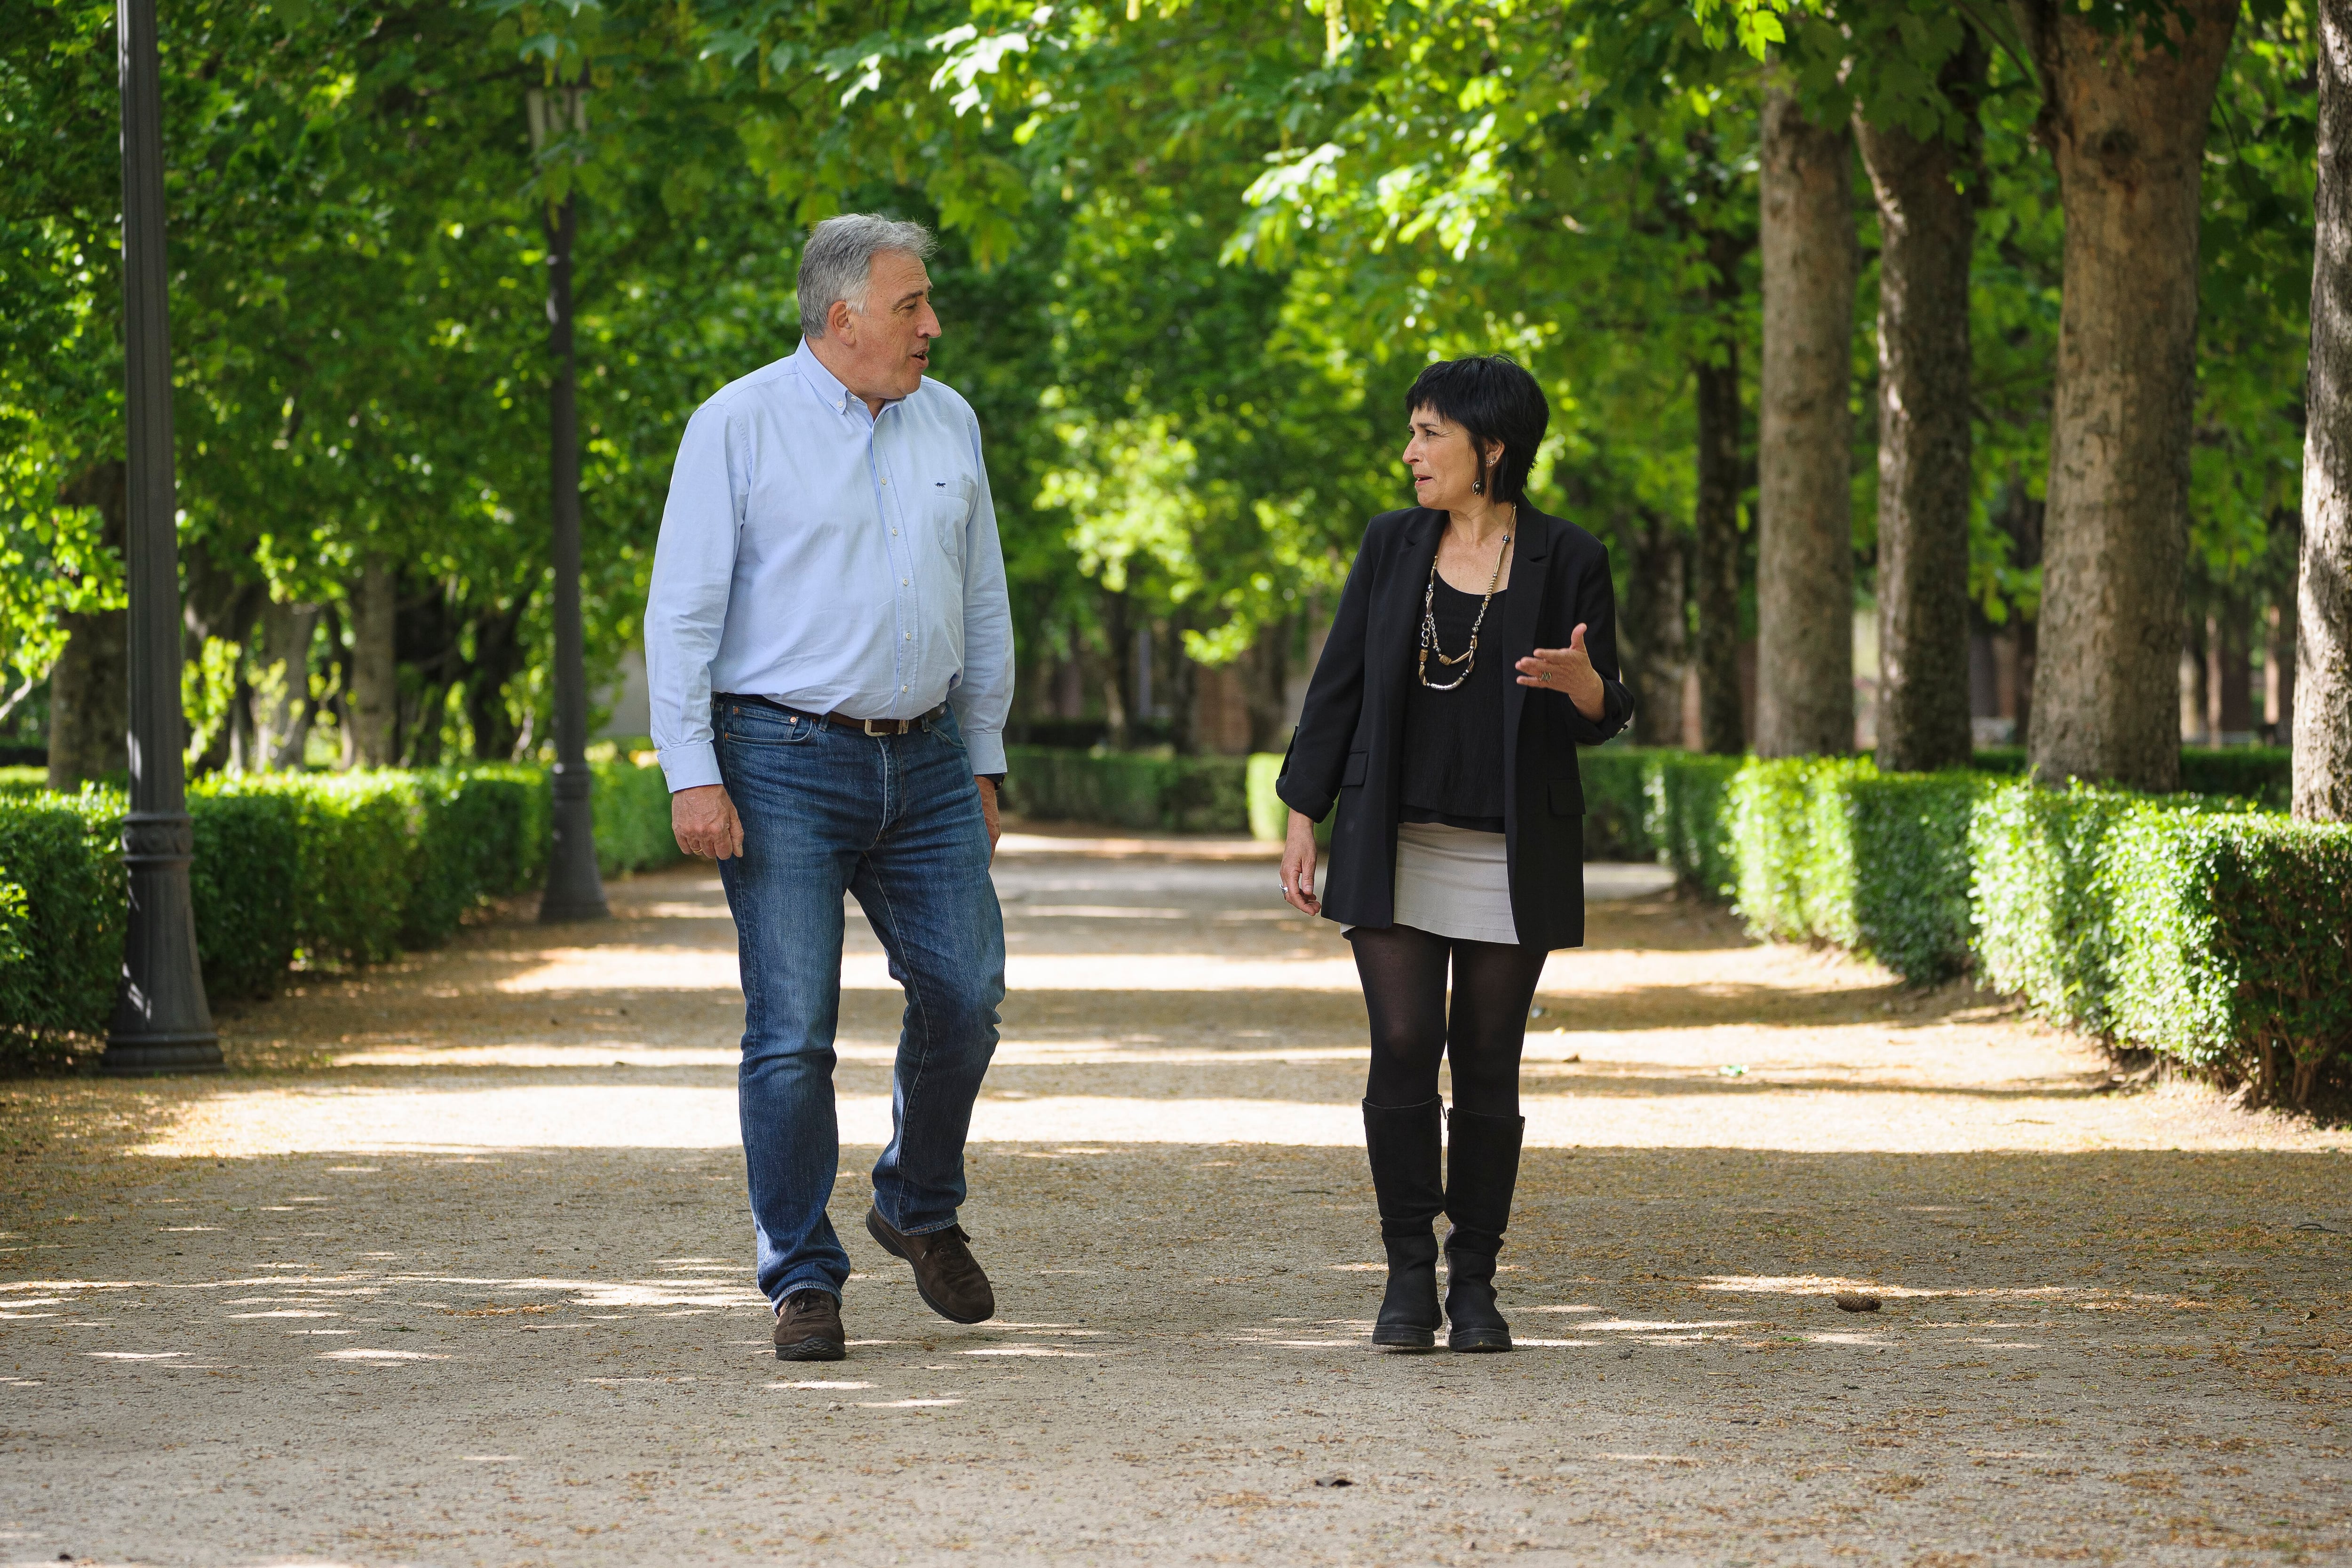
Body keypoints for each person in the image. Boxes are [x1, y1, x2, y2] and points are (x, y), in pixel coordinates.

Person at [644, 214, 1015, 1363]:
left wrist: (986, 751)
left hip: (931, 758)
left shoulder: (947, 417)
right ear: (841, 314)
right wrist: (691, 772)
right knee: (794, 1032)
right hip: (783, 757)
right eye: (912, 306)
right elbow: (683, 612)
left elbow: (984, 597)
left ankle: (914, 1198)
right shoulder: (738, 424)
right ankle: (802, 1273)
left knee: (967, 993)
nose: (932, 326)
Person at [1276, 355, 1631, 1354]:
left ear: (1493, 448)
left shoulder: (1569, 557)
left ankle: (1474, 1279)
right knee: (1400, 1049)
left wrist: (1580, 683)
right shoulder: (1392, 545)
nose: (1411, 451)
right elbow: (1336, 682)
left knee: (1487, 1061)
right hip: (1393, 840)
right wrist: (1303, 811)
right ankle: (1404, 1275)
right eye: (1412, 431)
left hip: (1509, 853)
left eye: (1430, 433)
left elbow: (1611, 707)